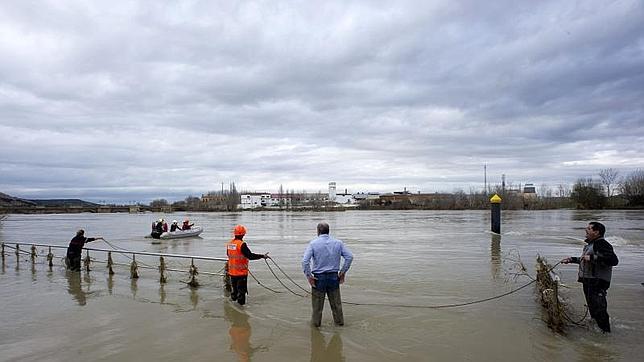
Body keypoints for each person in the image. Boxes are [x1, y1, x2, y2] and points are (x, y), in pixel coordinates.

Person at [561, 221, 619, 333]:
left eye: (589, 228)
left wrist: (592, 258)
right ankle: (597, 333)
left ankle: (606, 336)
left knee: (599, 310)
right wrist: (571, 259)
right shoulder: (590, 245)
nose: (585, 230)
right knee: (593, 310)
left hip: (597, 283)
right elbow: (586, 260)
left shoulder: (601, 243)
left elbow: (613, 260)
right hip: (589, 282)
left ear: (597, 232)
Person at [302, 222, 353, 327]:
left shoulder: (313, 243)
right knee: (336, 305)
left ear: (318, 231)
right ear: (328, 231)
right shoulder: (338, 243)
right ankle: (339, 325)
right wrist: (342, 272)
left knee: (317, 307)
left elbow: (305, 262)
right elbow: (349, 257)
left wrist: (309, 276)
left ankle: (316, 328)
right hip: (334, 277)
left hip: (318, 278)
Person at [226, 224, 269, 305]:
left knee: (234, 292)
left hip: (232, 272)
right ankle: (241, 312)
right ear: (243, 234)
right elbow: (250, 256)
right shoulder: (242, 244)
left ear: (235, 234)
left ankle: (232, 310)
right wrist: (262, 256)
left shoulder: (230, 244)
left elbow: (228, 255)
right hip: (241, 273)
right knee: (241, 293)